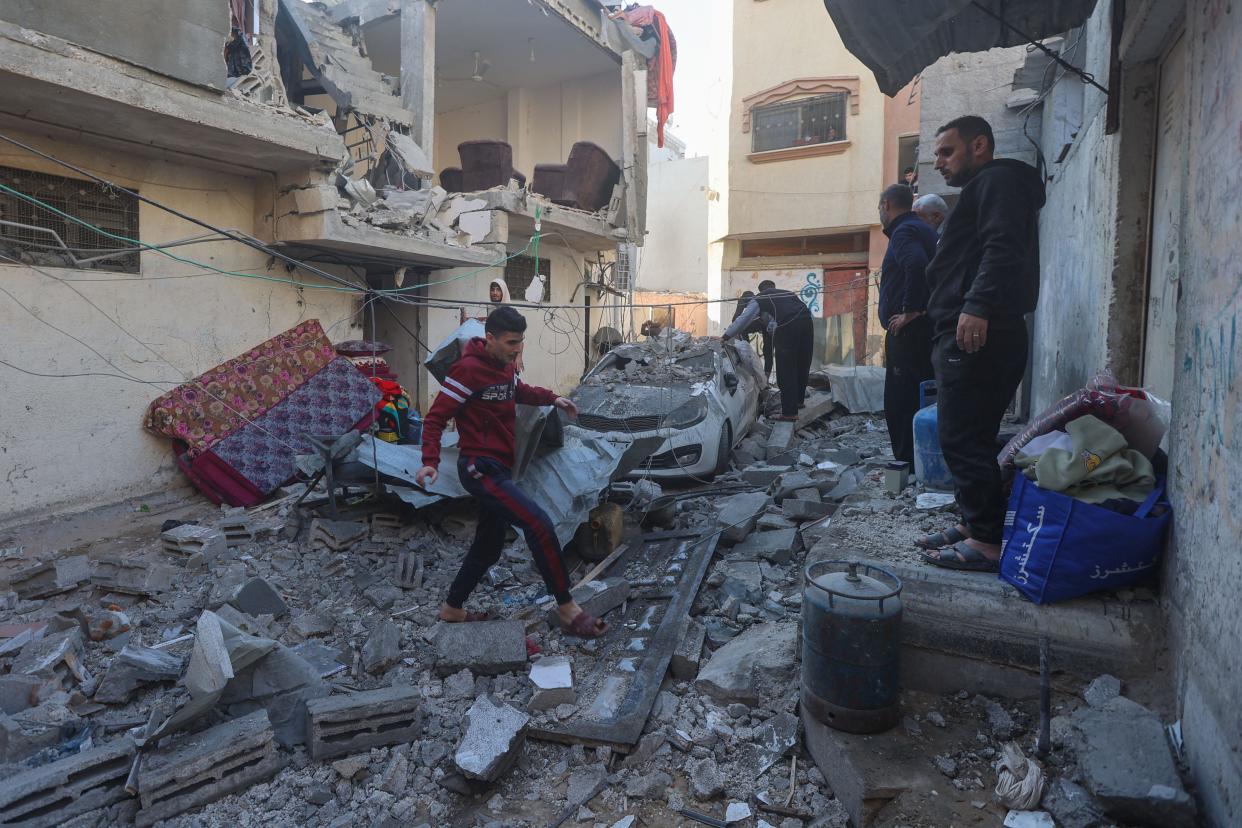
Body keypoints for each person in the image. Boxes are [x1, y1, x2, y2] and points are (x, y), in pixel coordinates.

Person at [415, 307, 608, 637]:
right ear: (489, 338)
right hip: (479, 467)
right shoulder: (467, 371)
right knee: (538, 523)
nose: (517, 349)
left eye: (520, 343)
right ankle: (567, 608)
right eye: (511, 343)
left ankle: (452, 609)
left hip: (501, 466)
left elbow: (518, 391)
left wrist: (553, 399)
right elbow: (435, 418)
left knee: (488, 547)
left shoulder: (503, 367)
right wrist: (430, 461)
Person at [917, 115, 1045, 572]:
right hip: (980, 328)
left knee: (959, 437)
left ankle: (988, 540)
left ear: (980, 145)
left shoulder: (996, 183)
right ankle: (977, 523)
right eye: (937, 155)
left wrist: (976, 305)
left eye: (947, 152)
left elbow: (1001, 247)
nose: (939, 163)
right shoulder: (990, 187)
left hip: (974, 331)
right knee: (974, 435)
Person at [878, 183, 938, 465]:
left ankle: (906, 463)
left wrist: (910, 311)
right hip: (924, 329)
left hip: (909, 331)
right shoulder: (923, 229)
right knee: (919, 395)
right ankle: (920, 460)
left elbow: (915, 264)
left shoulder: (904, 232)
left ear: (887, 205)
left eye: (880, 208)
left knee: (900, 401)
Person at [722, 280, 813, 421]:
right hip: (807, 321)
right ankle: (798, 401)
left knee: (786, 368)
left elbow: (743, 319)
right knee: (802, 363)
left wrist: (725, 336)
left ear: (759, 291)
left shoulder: (759, 299)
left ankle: (789, 413)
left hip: (789, 325)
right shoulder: (785, 294)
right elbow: (772, 324)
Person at [731, 290, 774, 377]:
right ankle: (747, 348)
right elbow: (736, 321)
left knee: (768, 350)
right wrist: (740, 305)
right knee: (741, 330)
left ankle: (766, 377)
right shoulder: (752, 300)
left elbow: (737, 320)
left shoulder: (757, 301)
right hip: (762, 322)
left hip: (770, 324)